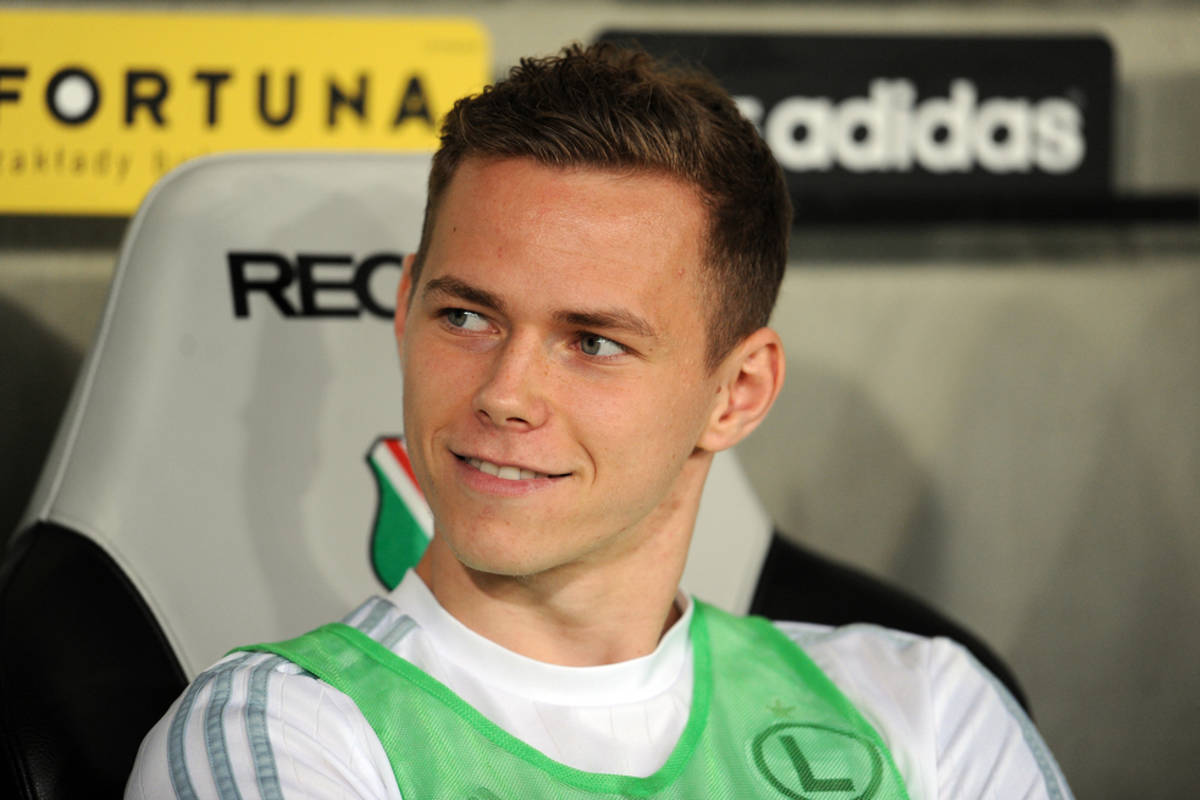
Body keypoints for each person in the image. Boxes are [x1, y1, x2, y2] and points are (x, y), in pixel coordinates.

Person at [126, 43, 1072, 799]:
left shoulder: (925, 710)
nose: (504, 393)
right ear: (406, 307)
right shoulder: (276, 733)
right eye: (467, 316)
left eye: (593, 342)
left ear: (737, 393)